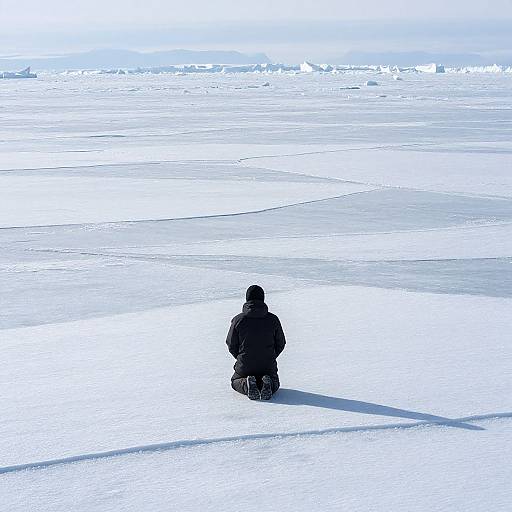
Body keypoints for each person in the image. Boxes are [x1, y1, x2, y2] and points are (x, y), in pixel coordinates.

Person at [226, 285, 286, 400]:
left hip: (245, 366)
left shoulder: (238, 320)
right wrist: (271, 356)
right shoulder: (273, 319)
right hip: (268, 365)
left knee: (235, 381)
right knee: (275, 382)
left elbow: (231, 344)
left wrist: (240, 357)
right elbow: (281, 343)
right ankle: (268, 383)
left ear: (247, 299)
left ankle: (247, 385)